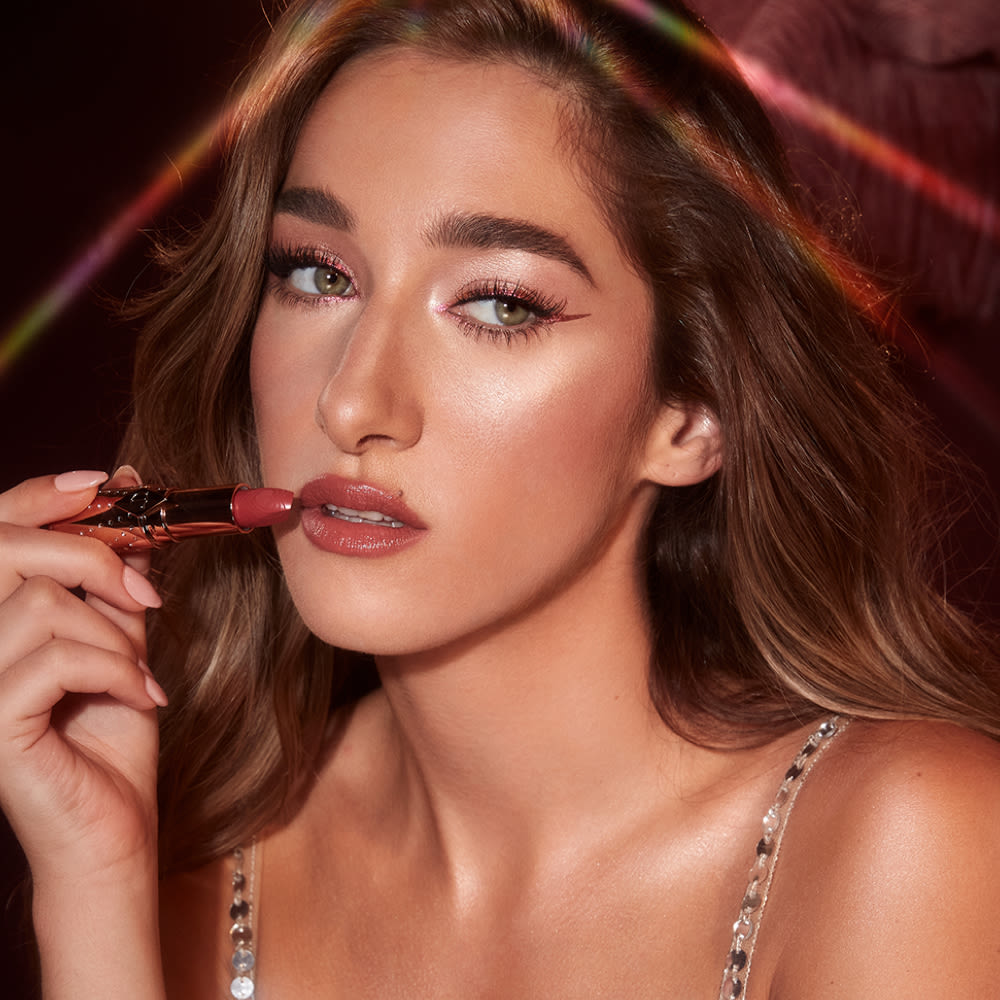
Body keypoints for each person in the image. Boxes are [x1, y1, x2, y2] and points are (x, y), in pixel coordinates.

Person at [1, 0, 999, 997]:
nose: (351, 400)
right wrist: (94, 887)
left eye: (499, 304)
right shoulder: (197, 875)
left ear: (693, 413)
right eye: (317, 275)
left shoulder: (907, 846)